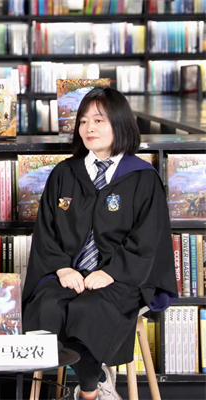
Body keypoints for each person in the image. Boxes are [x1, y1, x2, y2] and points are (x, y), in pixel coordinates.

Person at [22, 87, 177, 400]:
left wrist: (110, 272)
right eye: (83, 121)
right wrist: (62, 268)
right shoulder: (65, 173)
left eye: (98, 120)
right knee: (48, 305)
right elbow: (46, 230)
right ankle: (97, 383)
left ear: (120, 123)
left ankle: (88, 390)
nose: (88, 128)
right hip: (69, 274)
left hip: (123, 277)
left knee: (89, 309)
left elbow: (149, 236)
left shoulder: (142, 177)